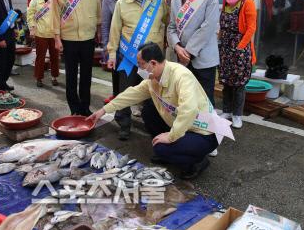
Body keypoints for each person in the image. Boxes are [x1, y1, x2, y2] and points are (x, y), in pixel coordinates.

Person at [87, 42, 231, 179]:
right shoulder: (153, 78)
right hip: (183, 126)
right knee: (148, 112)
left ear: (153, 63)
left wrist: (171, 137)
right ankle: (175, 149)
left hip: (204, 132)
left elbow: (189, 110)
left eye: (141, 65)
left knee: (161, 149)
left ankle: (198, 162)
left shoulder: (181, 76)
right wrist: (103, 111)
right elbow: (131, 94)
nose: (139, 69)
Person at [107, 0, 169, 140]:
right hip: (128, 57)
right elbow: (115, 31)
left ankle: (153, 126)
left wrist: (174, 3)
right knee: (124, 92)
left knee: (153, 94)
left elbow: (168, 22)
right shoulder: (122, 3)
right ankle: (124, 124)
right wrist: (112, 54)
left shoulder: (159, 1)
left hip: (152, 61)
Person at [51, 0, 101, 116]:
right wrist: (57, 39)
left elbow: (97, 6)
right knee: (71, 76)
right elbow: (55, 14)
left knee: (86, 75)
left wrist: (98, 29)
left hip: (88, 37)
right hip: (69, 39)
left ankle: (85, 107)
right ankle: (74, 109)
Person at [167, 0, 220, 106]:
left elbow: (208, 27)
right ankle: (189, 128)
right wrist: (177, 47)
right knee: (185, 99)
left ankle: (207, 129)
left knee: (205, 100)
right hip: (182, 58)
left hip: (203, 59)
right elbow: (171, 27)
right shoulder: (176, 0)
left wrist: (188, 52)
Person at [219, 0, 257, 129]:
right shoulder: (227, 1)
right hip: (225, 48)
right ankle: (226, 110)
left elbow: (251, 28)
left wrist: (240, 48)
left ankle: (237, 115)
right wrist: (219, 40)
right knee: (227, 82)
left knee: (239, 84)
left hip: (240, 49)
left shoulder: (247, 2)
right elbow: (222, 24)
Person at [27, 0, 59, 87]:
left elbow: (60, 15)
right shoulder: (35, 0)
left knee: (55, 56)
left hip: (54, 33)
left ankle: (54, 77)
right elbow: (30, 15)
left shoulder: (55, 0)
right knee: (40, 57)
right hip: (40, 34)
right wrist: (32, 28)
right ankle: (39, 78)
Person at [101, 0, 127, 104]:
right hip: (115, 42)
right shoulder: (108, 0)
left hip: (131, 42)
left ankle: (131, 99)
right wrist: (106, 46)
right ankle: (116, 94)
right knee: (115, 70)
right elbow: (105, 25)